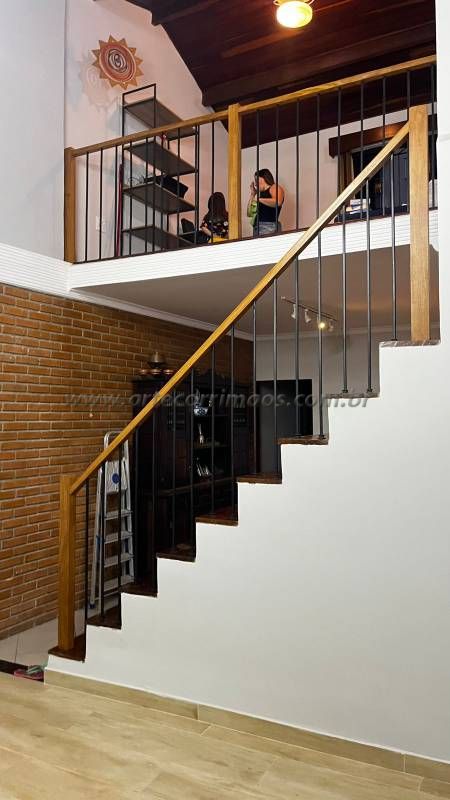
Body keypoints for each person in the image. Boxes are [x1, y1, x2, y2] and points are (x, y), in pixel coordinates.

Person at [248, 169, 285, 236]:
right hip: (258, 227)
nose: (255, 184)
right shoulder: (262, 194)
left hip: (268, 226)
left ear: (262, 179)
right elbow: (249, 213)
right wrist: (253, 194)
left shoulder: (274, 187)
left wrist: (259, 199)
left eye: (256, 180)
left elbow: (278, 202)